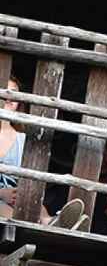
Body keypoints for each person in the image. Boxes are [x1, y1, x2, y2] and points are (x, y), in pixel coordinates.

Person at [0, 76, 87, 230]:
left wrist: (22, 193)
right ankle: (32, 223)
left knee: (34, 203)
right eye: (5, 91)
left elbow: (28, 179)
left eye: (14, 93)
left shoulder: (23, 139)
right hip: (2, 200)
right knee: (9, 211)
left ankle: (52, 222)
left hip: (16, 198)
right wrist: (1, 193)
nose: (9, 97)